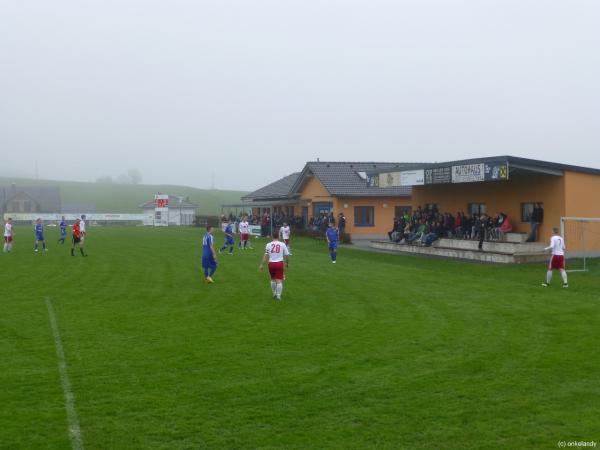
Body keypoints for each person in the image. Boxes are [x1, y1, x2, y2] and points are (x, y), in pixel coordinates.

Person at [259, 231, 290, 300]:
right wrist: (287, 263)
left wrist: (261, 265)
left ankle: (274, 293)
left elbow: (265, 255)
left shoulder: (268, 244)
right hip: (279, 263)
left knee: (272, 279)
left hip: (271, 264)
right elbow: (287, 255)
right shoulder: (282, 244)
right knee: (279, 280)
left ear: (272, 236)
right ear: (278, 236)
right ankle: (278, 296)